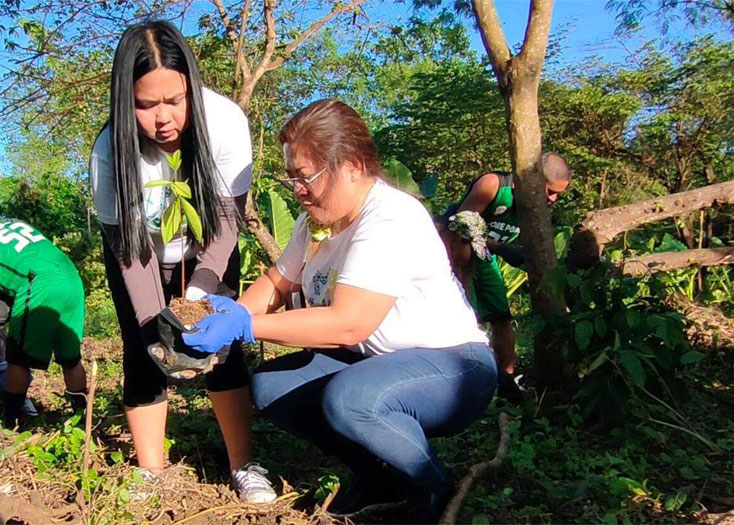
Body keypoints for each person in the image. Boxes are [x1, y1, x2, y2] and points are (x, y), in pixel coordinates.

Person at [181, 100, 497, 519]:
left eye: (306, 176)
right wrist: (229, 315)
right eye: (292, 176)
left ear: (351, 166)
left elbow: (349, 325)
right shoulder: (315, 221)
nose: (298, 188)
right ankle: (376, 476)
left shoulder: (389, 219)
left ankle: (431, 483)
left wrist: (246, 326)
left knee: (351, 400)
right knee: (274, 388)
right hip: (378, 361)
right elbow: (278, 281)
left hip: (456, 368)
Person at [88, 20, 275, 504]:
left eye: (175, 100)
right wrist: (158, 324)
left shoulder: (225, 121)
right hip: (141, 253)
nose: (163, 118)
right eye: (146, 105)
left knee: (223, 347)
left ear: (191, 84)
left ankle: (243, 464)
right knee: (143, 350)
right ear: (125, 102)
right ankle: (151, 471)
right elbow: (131, 249)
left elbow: (227, 222)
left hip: (207, 249)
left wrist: (199, 294)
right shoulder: (110, 150)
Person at [440, 154, 572, 400]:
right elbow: (460, 229)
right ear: (532, 180)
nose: (552, 199)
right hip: (452, 255)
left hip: (485, 258)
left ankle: (507, 385)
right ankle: (460, 386)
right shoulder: (493, 186)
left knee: (502, 319)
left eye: (558, 195)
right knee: (464, 321)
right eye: (550, 191)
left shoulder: (535, 207)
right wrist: (500, 249)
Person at [0, 216, 87, 429]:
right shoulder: (11, 224)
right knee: (70, 358)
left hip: (39, 283)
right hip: (71, 278)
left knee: (18, 359)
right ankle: (83, 415)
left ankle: (12, 423)